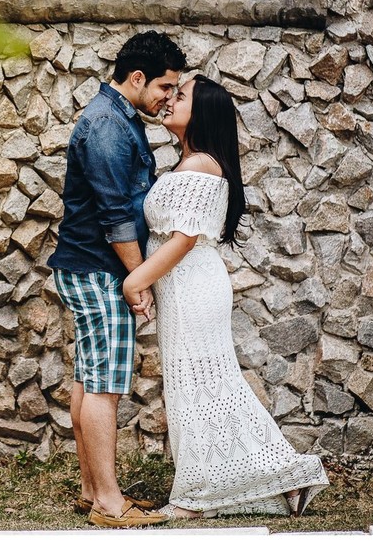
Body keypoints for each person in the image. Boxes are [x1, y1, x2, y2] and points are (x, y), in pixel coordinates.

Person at [121, 76, 330, 519]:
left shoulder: (200, 164)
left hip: (192, 286)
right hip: (183, 287)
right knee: (200, 387)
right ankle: (277, 480)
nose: (170, 101)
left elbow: (182, 240)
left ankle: (199, 496)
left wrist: (132, 282)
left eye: (181, 96)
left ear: (203, 113)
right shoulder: (192, 162)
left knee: (202, 387)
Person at [48, 31, 186, 528]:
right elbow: (115, 218)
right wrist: (138, 278)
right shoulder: (107, 125)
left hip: (88, 267)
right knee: (104, 387)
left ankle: (92, 491)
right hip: (99, 269)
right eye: (165, 87)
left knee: (89, 381)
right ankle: (109, 501)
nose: (169, 98)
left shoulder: (114, 117)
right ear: (136, 78)